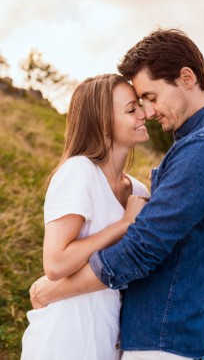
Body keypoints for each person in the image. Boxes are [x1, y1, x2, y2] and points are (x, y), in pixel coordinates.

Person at [30, 29, 204, 360]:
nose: (147, 112)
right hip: (108, 336)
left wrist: (56, 289)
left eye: (151, 98)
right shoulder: (194, 145)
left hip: (159, 338)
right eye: (136, 105)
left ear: (186, 78)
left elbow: (142, 248)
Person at [21, 73, 150, 360]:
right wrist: (123, 225)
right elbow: (55, 263)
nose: (144, 113)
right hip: (66, 338)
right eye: (131, 109)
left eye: (139, 104)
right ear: (103, 123)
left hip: (109, 338)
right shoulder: (79, 172)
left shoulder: (138, 189)